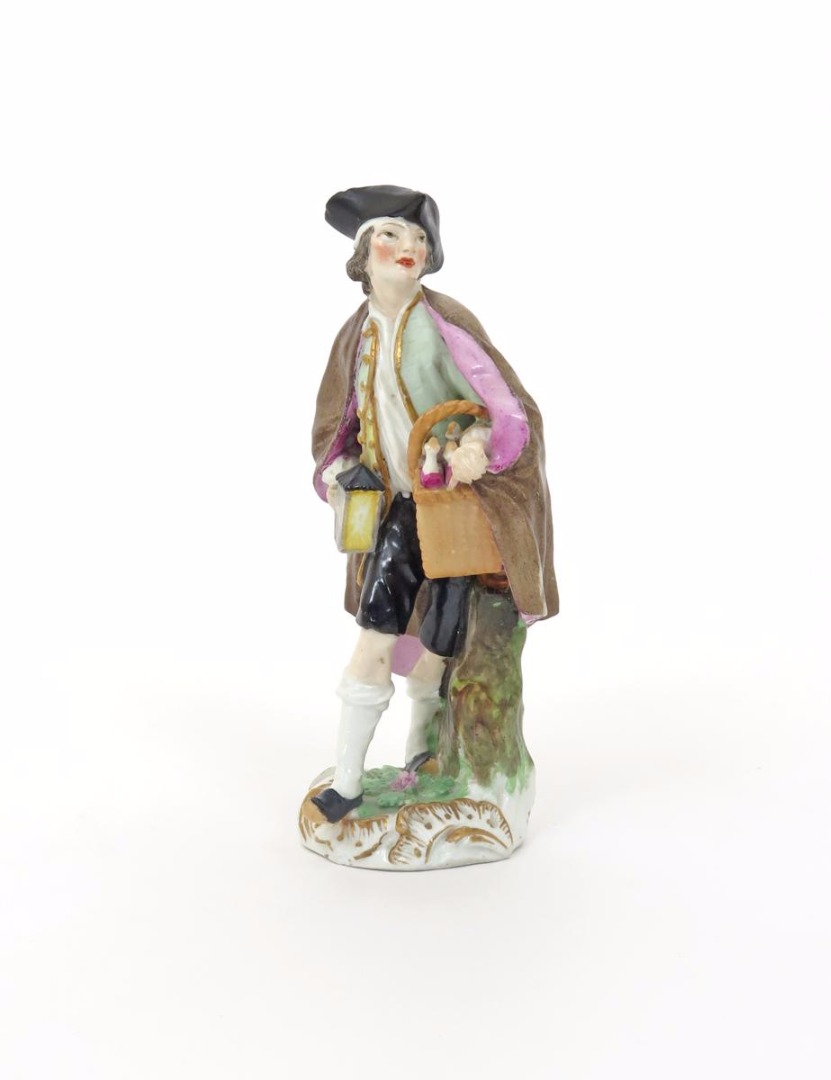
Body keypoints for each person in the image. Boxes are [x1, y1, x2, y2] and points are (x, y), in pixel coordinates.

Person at [310, 185, 558, 823]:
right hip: (397, 511)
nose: (409, 248)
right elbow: (336, 431)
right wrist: (340, 475)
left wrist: (477, 444)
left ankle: (422, 759)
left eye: (420, 238)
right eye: (392, 235)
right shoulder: (355, 337)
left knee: (439, 647)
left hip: (455, 510)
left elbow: (507, 412)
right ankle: (346, 782)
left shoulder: (444, 323)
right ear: (364, 252)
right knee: (373, 637)